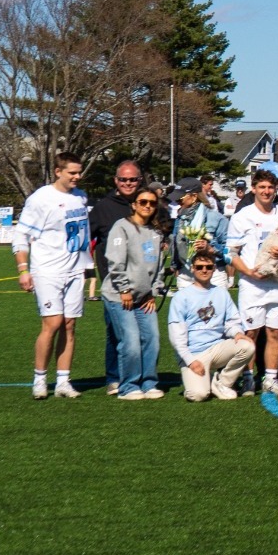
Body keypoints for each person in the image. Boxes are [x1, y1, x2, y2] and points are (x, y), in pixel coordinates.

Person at [228, 169, 278, 395]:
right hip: (253, 284)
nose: (267, 191)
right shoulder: (242, 216)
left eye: (270, 187)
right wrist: (249, 272)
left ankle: (271, 378)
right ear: (254, 189)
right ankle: (248, 378)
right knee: (251, 333)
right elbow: (230, 252)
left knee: (276, 332)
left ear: (276, 188)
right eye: (262, 187)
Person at [102, 185, 168, 400]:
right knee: (130, 341)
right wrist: (125, 289)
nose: (148, 206)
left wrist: (154, 291)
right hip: (120, 296)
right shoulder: (121, 227)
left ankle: (148, 383)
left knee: (152, 339)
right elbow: (115, 261)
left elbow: (159, 267)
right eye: (143, 202)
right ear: (134, 205)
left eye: (151, 203)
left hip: (144, 298)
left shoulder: (156, 232)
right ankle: (128, 386)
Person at [168, 250, 256, 401]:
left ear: (214, 269)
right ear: (192, 268)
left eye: (208, 267)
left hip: (216, 348)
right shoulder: (181, 297)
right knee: (198, 395)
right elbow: (176, 336)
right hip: (194, 353)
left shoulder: (221, 293)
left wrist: (236, 333)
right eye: (200, 266)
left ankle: (223, 383)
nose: (204, 270)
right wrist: (190, 361)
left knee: (247, 346)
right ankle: (204, 381)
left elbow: (232, 321)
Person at [90, 159, 141, 394]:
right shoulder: (103, 208)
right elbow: (85, 239)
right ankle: (114, 376)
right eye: (124, 179)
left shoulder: (148, 203)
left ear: (140, 180)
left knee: (142, 333)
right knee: (115, 332)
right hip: (114, 283)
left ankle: (139, 376)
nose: (128, 183)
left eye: (133, 179)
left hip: (142, 282)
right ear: (116, 181)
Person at [171, 187, 230, 288]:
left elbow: (229, 250)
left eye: (180, 199)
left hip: (213, 272)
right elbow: (176, 243)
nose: (177, 202)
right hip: (186, 274)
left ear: (194, 197)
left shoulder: (217, 218)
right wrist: (175, 265)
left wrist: (210, 249)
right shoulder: (180, 218)